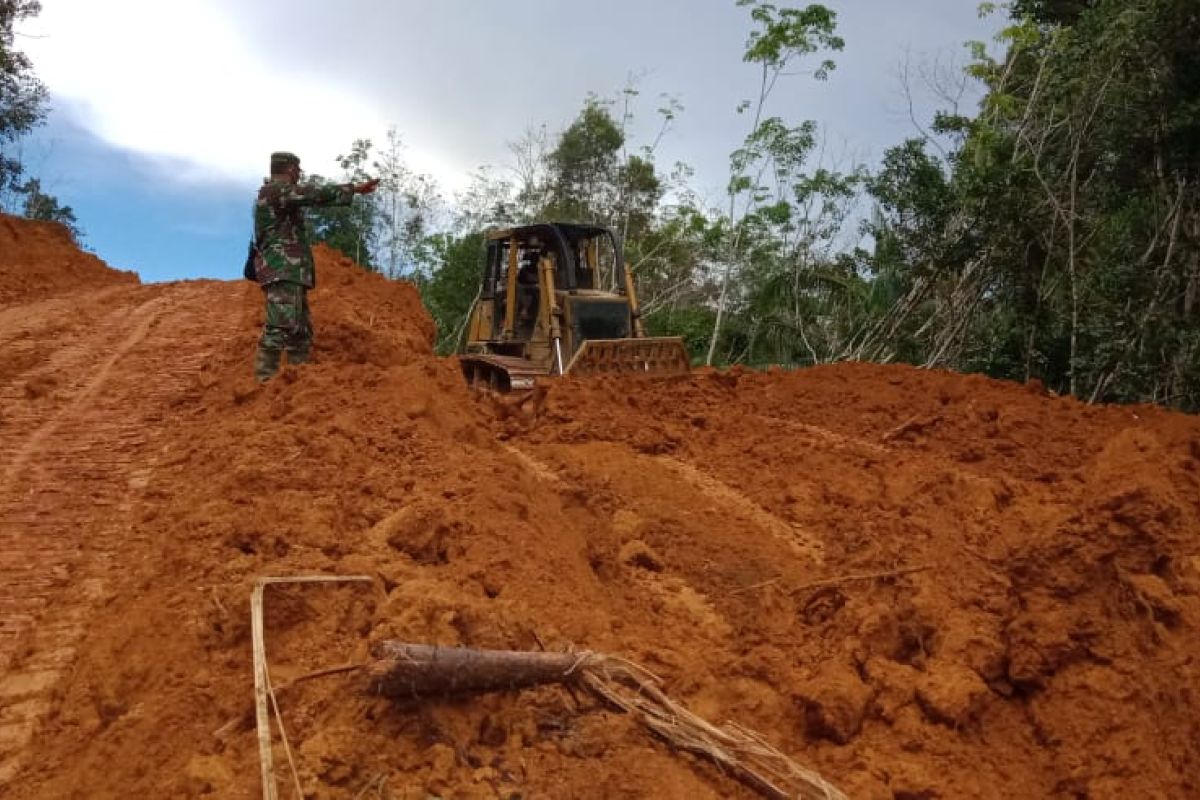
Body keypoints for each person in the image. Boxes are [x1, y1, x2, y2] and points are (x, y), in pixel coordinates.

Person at [251, 151, 379, 382]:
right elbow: (313, 194)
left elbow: (312, 197)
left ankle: (297, 380)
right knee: (279, 327)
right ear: (290, 169)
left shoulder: (280, 194)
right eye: (297, 169)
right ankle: (264, 381)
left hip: (291, 271)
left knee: (300, 331)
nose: (299, 173)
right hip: (282, 269)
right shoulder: (275, 191)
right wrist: (355, 189)